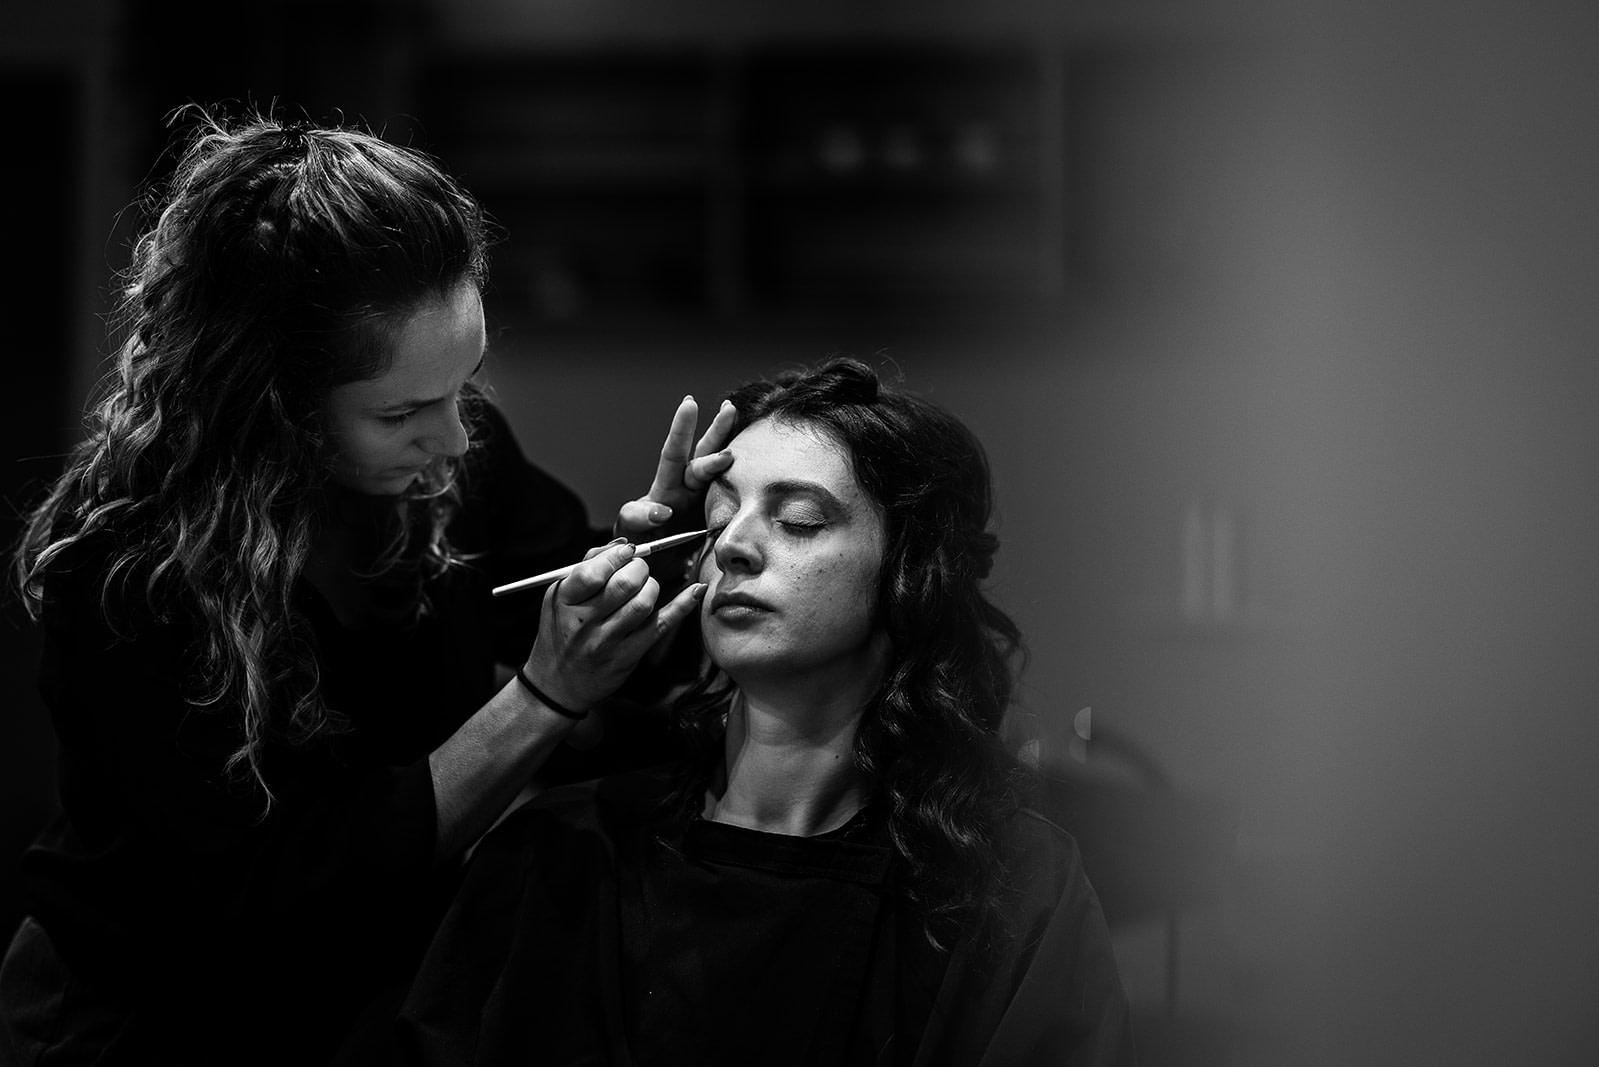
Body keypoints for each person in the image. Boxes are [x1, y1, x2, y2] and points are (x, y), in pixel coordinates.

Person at [0, 109, 734, 1065]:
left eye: (463, 386)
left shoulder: (454, 470)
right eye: (403, 411)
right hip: (147, 1015)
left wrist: (654, 552)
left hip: (364, 1000)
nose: (455, 440)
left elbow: (599, 639)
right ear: (274, 405)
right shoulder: (132, 572)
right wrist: (543, 697)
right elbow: (277, 890)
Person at [383, 359, 1135, 1066]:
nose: (736, 545)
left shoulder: (1014, 890)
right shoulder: (558, 855)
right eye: (716, 519)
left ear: (911, 572)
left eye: (800, 521)